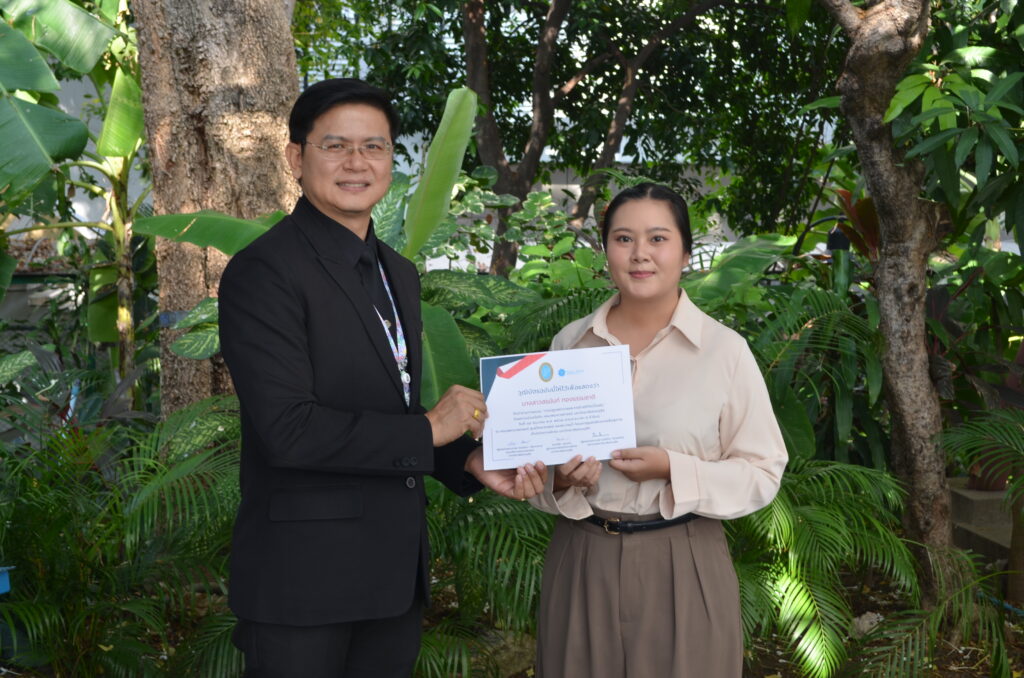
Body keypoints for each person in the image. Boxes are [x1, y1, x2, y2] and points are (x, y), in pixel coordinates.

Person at [218, 78, 547, 678]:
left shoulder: (398, 272)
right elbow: (288, 430)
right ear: (295, 157)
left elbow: (394, 410)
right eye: (335, 145)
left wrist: (467, 461)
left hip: (392, 581)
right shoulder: (264, 272)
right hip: (304, 585)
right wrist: (430, 432)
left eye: (374, 147)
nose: (356, 162)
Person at [528, 183, 787, 678]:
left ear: (686, 253)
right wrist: (561, 479)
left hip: (685, 558)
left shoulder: (724, 351)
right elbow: (536, 464)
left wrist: (673, 468)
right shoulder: (570, 344)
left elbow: (763, 472)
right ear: (605, 250)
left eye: (658, 238)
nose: (640, 254)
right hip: (582, 556)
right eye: (623, 238)